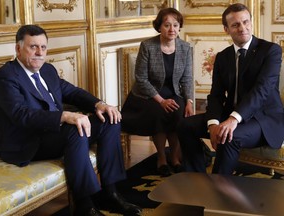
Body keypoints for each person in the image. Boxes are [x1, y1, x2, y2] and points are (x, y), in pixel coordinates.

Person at [0, 25, 142, 216]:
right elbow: (20, 114)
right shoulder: (6, 76)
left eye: (43, 47)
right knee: (75, 129)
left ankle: (110, 193)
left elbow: (72, 92)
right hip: (27, 141)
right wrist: (64, 116)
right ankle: (84, 204)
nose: (40, 53)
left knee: (109, 120)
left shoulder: (47, 70)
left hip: (54, 134)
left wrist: (99, 104)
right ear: (18, 48)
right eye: (33, 47)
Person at [177, 3, 284, 174]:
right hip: (230, 114)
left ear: (251, 22)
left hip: (263, 119)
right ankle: (196, 179)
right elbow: (216, 95)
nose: (242, 28)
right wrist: (212, 123)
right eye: (235, 25)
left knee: (228, 136)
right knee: (185, 125)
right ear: (226, 29)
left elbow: (261, 91)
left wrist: (233, 119)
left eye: (246, 22)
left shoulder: (270, 51)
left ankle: (217, 191)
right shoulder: (223, 57)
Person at [121, 8, 194, 177]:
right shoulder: (147, 46)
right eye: (167, 25)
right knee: (159, 112)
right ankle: (161, 158)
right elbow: (141, 79)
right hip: (148, 94)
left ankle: (174, 157)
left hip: (173, 90)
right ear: (159, 27)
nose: (172, 29)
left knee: (179, 112)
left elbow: (187, 78)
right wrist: (161, 100)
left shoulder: (185, 48)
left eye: (175, 25)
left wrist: (190, 101)